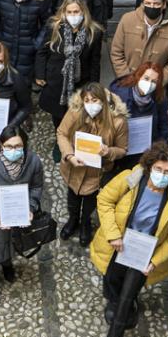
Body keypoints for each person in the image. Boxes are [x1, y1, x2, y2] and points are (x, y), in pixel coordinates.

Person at [92, 143, 168, 337]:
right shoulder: (131, 179)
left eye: (167, 172)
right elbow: (105, 200)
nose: (162, 175)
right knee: (113, 279)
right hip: (120, 243)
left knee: (129, 293)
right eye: (158, 169)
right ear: (149, 167)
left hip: (145, 251)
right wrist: (113, 234)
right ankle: (114, 301)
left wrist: (155, 260)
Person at [0, 126, 44, 303]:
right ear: (1, 144)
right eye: (8, 146)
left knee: (13, 245)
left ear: (24, 145)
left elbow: (37, 187)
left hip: (19, 215)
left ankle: (7, 265)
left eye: (17, 146)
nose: (13, 150)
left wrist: (30, 207)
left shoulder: (34, 161)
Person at [56, 83, 129, 246]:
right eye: (86, 100)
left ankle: (85, 222)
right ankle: (73, 219)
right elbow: (62, 133)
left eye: (95, 100)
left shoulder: (118, 121)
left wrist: (108, 151)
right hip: (74, 168)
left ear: (103, 101)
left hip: (97, 173)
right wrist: (69, 155)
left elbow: (122, 149)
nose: (90, 104)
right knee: (72, 197)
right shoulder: (75, 112)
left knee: (90, 201)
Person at [36, 0, 104, 129]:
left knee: (78, 117)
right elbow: (42, 52)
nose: (73, 15)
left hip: (80, 83)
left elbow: (95, 61)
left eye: (76, 12)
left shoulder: (94, 32)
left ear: (83, 12)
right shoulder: (55, 28)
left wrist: (94, 86)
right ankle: (60, 141)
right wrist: (40, 74)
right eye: (69, 12)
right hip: (56, 81)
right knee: (58, 118)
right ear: (64, 12)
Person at [109, 0, 168, 84]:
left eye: (156, 4)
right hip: (127, 80)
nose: (152, 7)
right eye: (148, 3)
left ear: (164, 5)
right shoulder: (127, 19)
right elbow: (116, 52)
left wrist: (157, 81)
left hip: (155, 83)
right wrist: (126, 77)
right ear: (142, 3)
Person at [109, 62, 168, 173]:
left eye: (154, 81)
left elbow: (163, 128)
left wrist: (157, 152)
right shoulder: (119, 94)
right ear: (138, 76)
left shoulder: (160, 99)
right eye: (146, 78)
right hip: (120, 145)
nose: (149, 84)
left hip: (143, 150)